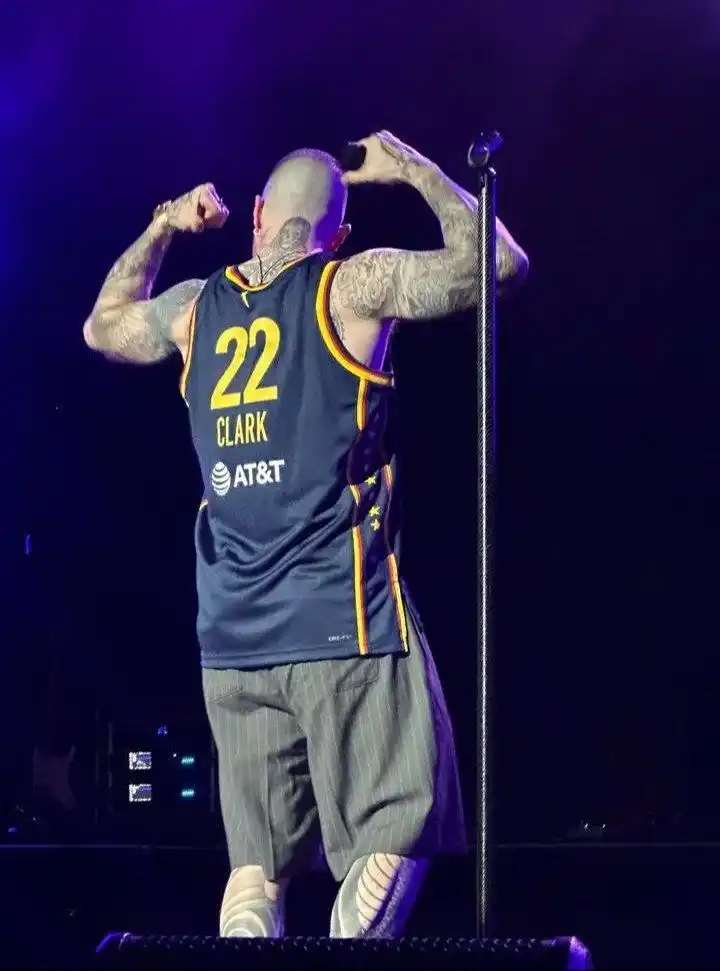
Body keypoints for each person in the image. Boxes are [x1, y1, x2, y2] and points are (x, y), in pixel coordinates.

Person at [83, 131, 528, 938]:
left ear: (256, 214)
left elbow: (102, 326)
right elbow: (497, 263)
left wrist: (165, 224)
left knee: (255, 874)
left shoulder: (195, 309)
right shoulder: (351, 285)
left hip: (232, 641)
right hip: (343, 623)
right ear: (340, 232)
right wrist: (415, 169)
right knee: (394, 835)